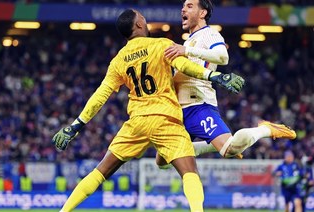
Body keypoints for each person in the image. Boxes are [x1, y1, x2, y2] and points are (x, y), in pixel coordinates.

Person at [51, 9, 244, 212]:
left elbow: (101, 95)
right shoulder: (161, 45)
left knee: (101, 171)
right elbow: (185, 66)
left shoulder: (118, 60)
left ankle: (64, 211)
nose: (146, 20)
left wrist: (75, 126)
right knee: (189, 172)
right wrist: (214, 76)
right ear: (139, 25)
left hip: (137, 122)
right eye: (143, 18)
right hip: (165, 119)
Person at [156, 0, 296, 166]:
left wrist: (187, 51)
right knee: (162, 160)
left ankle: (265, 129)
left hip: (198, 105)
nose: (183, 9)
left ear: (203, 13)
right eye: (183, 6)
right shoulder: (189, 41)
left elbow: (223, 56)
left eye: (189, 6)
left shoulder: (209, 34)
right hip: (180, 109)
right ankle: (214, 145)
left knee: (230, 150)